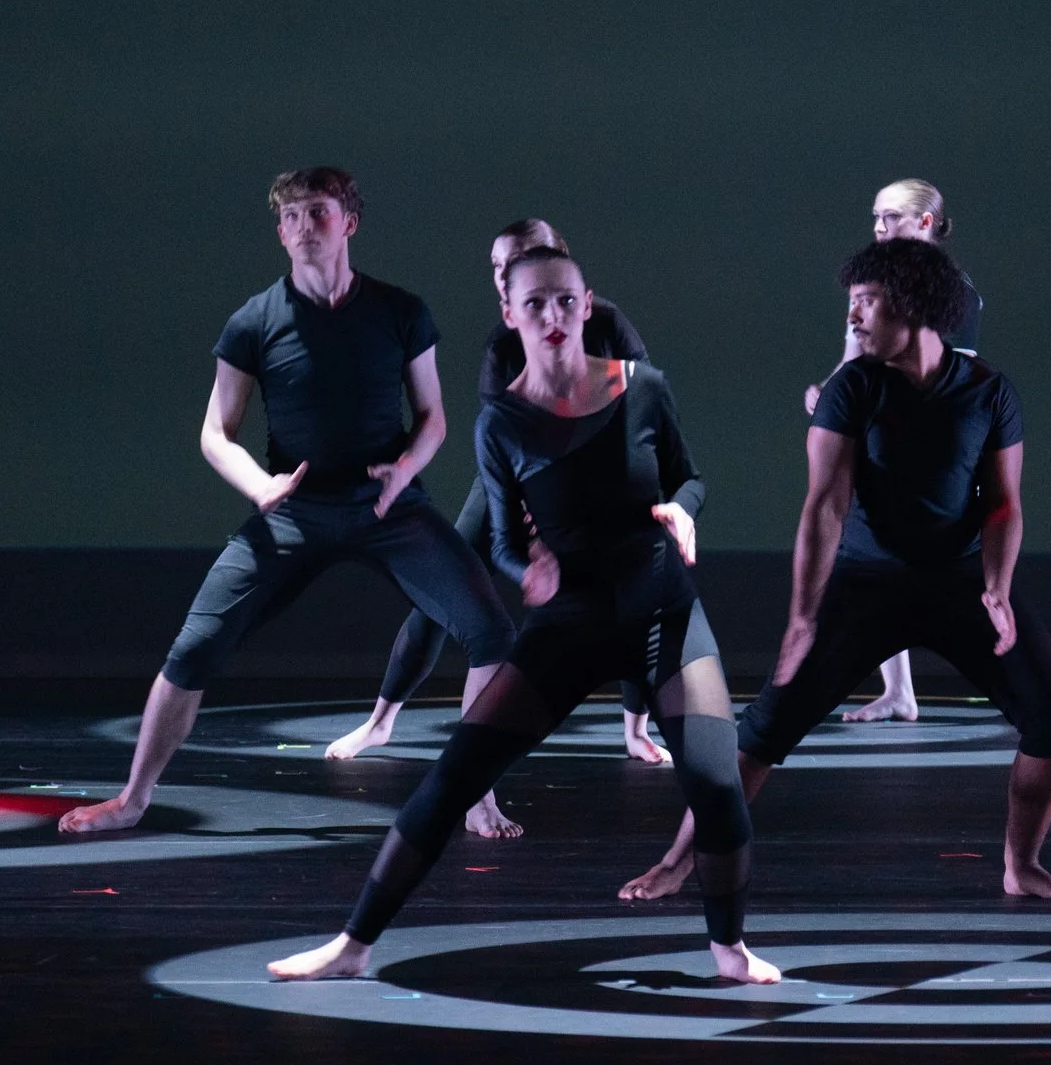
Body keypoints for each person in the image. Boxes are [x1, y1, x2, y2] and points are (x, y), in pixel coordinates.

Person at [270, 245, 776, 983]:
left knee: (717, 786)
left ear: (588, 304)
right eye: (534, 303)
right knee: (452, 779)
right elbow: (504, 540)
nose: (552, 316)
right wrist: (525, 570)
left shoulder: (644, 389)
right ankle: (353, 945)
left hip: (664, 615)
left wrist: (683, 512)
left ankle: (730, 950)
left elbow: (689, 477)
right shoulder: (501, 421)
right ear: (509, 313)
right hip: (570, 624)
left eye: (566, 301)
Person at [621, 238, 1051, 906]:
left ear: (916, 306)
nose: (855, 319)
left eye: (867, 303)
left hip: (958, 582)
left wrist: (997, 586)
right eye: (852, 304)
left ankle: (1022, 863)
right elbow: (824, 507)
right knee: (762, 731)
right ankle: (676, 860)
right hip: (867, 586)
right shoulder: (852, 388)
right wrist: (804, 618)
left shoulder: (988, 391)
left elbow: (1004, 502)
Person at [58, 168, 519, 837]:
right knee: (193, 649)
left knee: (492, 631)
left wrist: (405, 470)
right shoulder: (253, 322)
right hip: (293, 511)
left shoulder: (399, 311)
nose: (305, 227)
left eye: (319, 212)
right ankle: (132, 798)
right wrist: (259, 486)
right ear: (279, 232)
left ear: (348, 222)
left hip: (388, 506)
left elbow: (434, 419)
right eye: (292, 216)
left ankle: (478, 794)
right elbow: (215, 433)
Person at [323, 218, 671, 768]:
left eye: (519, 259)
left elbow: (644, 409)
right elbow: (502, 435)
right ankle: (380, 722)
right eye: (497, 267)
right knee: (446, 585)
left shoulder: (606, 323)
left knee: (637, 587)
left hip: (598, 482)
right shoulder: (503, 344)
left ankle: (636, 729)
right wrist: (531, 519)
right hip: (520, 478)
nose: (503, 273)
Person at [807, 179, 987, 725]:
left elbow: (954, 375)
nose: (880, 228)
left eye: (891, 217)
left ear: (925, 223)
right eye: (876, 218)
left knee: (933, 557)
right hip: (875, 432)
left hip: (929, 446)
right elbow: (851, 358)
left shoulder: (952, 291)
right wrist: (829, 396)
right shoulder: (869, 282)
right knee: (875, 546)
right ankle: (898, 691)